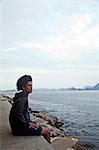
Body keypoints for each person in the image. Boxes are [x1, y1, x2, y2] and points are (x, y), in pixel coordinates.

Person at [9, 75, 51, 143]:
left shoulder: (21, 96)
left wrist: (30, 122)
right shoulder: (22, 99)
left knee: (37, 125)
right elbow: (18, 114)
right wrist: (28, 124)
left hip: (17, 127)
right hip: (19, 129)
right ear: (23, 87)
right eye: (29, 85)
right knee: (47, 132)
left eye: (31, 85)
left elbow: (21, 114)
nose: (31, 87)